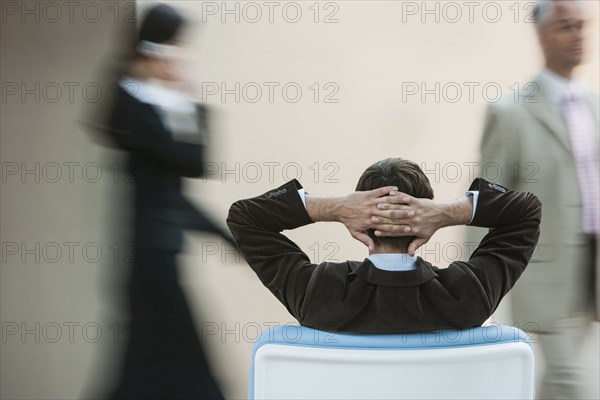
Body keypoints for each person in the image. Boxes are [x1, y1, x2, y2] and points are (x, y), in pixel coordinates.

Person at [227, 158, 541, 333]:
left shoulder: (318, 293)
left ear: (359, 220)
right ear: (426, 217)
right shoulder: (469, 295)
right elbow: (526, 211)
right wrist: (448, 212)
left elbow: (245, 217)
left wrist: (333, 208)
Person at [105, 4, 229, 399]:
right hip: (150, 261)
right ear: (153, 48)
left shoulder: (152, 106)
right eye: (174, 45)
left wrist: (228, 238)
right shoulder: (134, 107)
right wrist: (188, 103)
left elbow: (179, 188)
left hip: (158, 258)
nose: (181, 56)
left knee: (141, 373)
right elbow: (192, 163)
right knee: (189, 371)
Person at [478, 0, 598, 397]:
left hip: (591, 270)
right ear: (542, 33)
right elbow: (485, 200)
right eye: (567, 27)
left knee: (558, 381)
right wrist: (475, 282)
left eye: (583, 26)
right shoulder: (511, 113)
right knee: (568, 380)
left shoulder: (595, 107)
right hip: (543, 274)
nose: (579, 36)